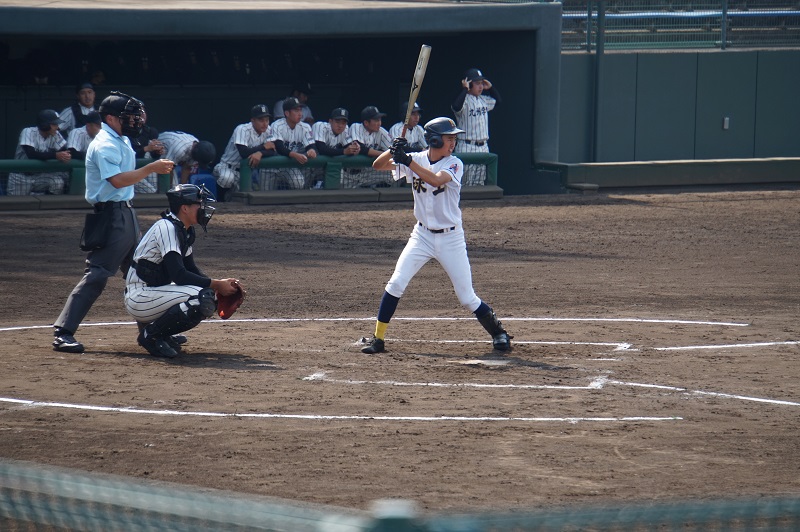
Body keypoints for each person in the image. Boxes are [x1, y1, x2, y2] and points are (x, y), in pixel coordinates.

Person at [360, 117, 512, 355]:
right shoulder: (417, 158)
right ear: (434, 140)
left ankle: (498, 333)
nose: (453, 142)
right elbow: (378, 165)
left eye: (454, 138)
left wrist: (407, 160)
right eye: (448, 138)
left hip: (451, 238)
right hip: (421, 236)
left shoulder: (454, 163)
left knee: (466, 297)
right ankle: (378, 338)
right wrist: (394, 149)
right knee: (396, 283)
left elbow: (435, 179)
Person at [52, 91, 175, 353]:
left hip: (126, 213)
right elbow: (117, 180)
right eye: (128, 116)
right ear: (110, 118)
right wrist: (150, 168)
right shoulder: (105, 144)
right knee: (98, 273)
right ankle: (63, 332)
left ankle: (152, 332)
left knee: (141, 273)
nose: (134, 120)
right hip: (111, 215)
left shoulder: (121, 139)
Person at [124, 183, 240, 358]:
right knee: (200, 298)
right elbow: (179, 275)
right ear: (185, 208)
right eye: (199, 204)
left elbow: (191, 269)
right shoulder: (167, 228)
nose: (203, 208)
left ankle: (163, 334)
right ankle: (151, 336)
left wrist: (219, 286)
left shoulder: (183, 229)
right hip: (140, 296)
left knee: (209, 295)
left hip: (154, 293)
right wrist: (215, 284)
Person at [213, 104, 277, 199]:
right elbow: (244, 153)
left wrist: (260, 153)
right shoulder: (242, 129)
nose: (265, 123)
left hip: (246, 172)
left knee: (242, 200)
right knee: (227, 179)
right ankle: (219, 203)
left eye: (267, 120)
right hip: (228, 167)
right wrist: (263, 147)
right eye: (261, 120)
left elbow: (273, 151)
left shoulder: (269, 130)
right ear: (253, 120)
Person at [451, 68, 502, 186]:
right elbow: (456, 106)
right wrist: (465, 89)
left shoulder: (483, 99)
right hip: (467, 146)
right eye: (477, 83)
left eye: (482, 83)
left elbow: (498, 101)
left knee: (480, 183)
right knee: (466, 183)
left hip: (483, 147)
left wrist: (491, 88)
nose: (481, 86)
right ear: (469, 84)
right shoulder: (463, 101)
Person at [6, 109, 72, 196]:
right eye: (54, 124)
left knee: (57, 182)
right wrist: (55, 155)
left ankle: (49, 204)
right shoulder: (28, 131)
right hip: (20, 176)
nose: (57, 127)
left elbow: (65, 150)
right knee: (17, 204)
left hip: (40, 176)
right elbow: (31, 154)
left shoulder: (55, 135)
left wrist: (66, 154)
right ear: (44, 125)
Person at [270, 96, 317, 190]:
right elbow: (279, 148)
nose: (300, 114)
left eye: (300, 110)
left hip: (288, 166)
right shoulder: (277, 125)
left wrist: (312, 150)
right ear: (287, 113)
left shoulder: (305, 127)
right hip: (271, 166)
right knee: (264, 193)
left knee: (298, 182)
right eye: (296, 110)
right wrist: (295, 155)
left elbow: (310, 145)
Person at [342, 105, 392, 188]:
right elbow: (361, 148)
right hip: (348, 175)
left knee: (390, 174)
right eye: (376, 120)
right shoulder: (356, 127)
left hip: (367, 173)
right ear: (366, 123)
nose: (379, 123)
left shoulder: (381, 132)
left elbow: (393, 149)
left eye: (380, 120)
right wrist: (383, 154)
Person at [312, 107, 360, 188]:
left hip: (323, 167)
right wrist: (344, 151)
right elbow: (321, 149)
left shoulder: (345, 129)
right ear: (330, 121)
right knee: (300, 185)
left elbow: (348, 146)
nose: (340, 126)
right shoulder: (320, 126)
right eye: (337, 122)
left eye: (343, 123)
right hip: (307, 165)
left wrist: (355, 148)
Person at [128, 109, 165, 194]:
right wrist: (146, 149)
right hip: (129, 170)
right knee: (151, 191)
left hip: (145, 168)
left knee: (157, 188)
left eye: (143, 112)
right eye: (138, 113)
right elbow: (127, 156)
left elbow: (154, 156)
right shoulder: (126, 133)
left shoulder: (150, 131)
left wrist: (157, 152)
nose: (142, 115)